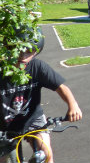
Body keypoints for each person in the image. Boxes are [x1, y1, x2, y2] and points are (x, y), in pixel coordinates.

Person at [0, 29, 83, 163]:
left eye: (29, 51)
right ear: (8, 48)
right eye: (19, 50)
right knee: (5, 160)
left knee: (46, 155)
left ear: (36, 51)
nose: (23, 56)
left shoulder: (37, 67)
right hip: (3, 125)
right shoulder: (1, 69)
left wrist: (73, 105)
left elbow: (62, 87)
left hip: (33, 120)